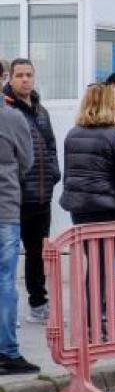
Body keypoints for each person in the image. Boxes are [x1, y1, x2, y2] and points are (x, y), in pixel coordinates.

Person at [4, 59, 62, 324]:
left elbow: (50, 144)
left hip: (41, 194)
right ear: (10, 78)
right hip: (16, 196)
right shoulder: (7, 109)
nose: (25, 80)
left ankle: (37, 304)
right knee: (9, 254)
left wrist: (53, 172)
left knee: (37, 252)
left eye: (29, 75)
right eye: (19, 75)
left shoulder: (41, 110)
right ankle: (7, 312)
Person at [59, 83, 115, 224]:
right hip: (107, 208)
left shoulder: (72, 134)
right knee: (109, 246)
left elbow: (69, 175)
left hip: (78, 208)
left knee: (87, 246)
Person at [0, 68, 38, 375]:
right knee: (5, 282)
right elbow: (27, 161)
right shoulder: (12, 118)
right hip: (5, 209)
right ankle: (7, 351)